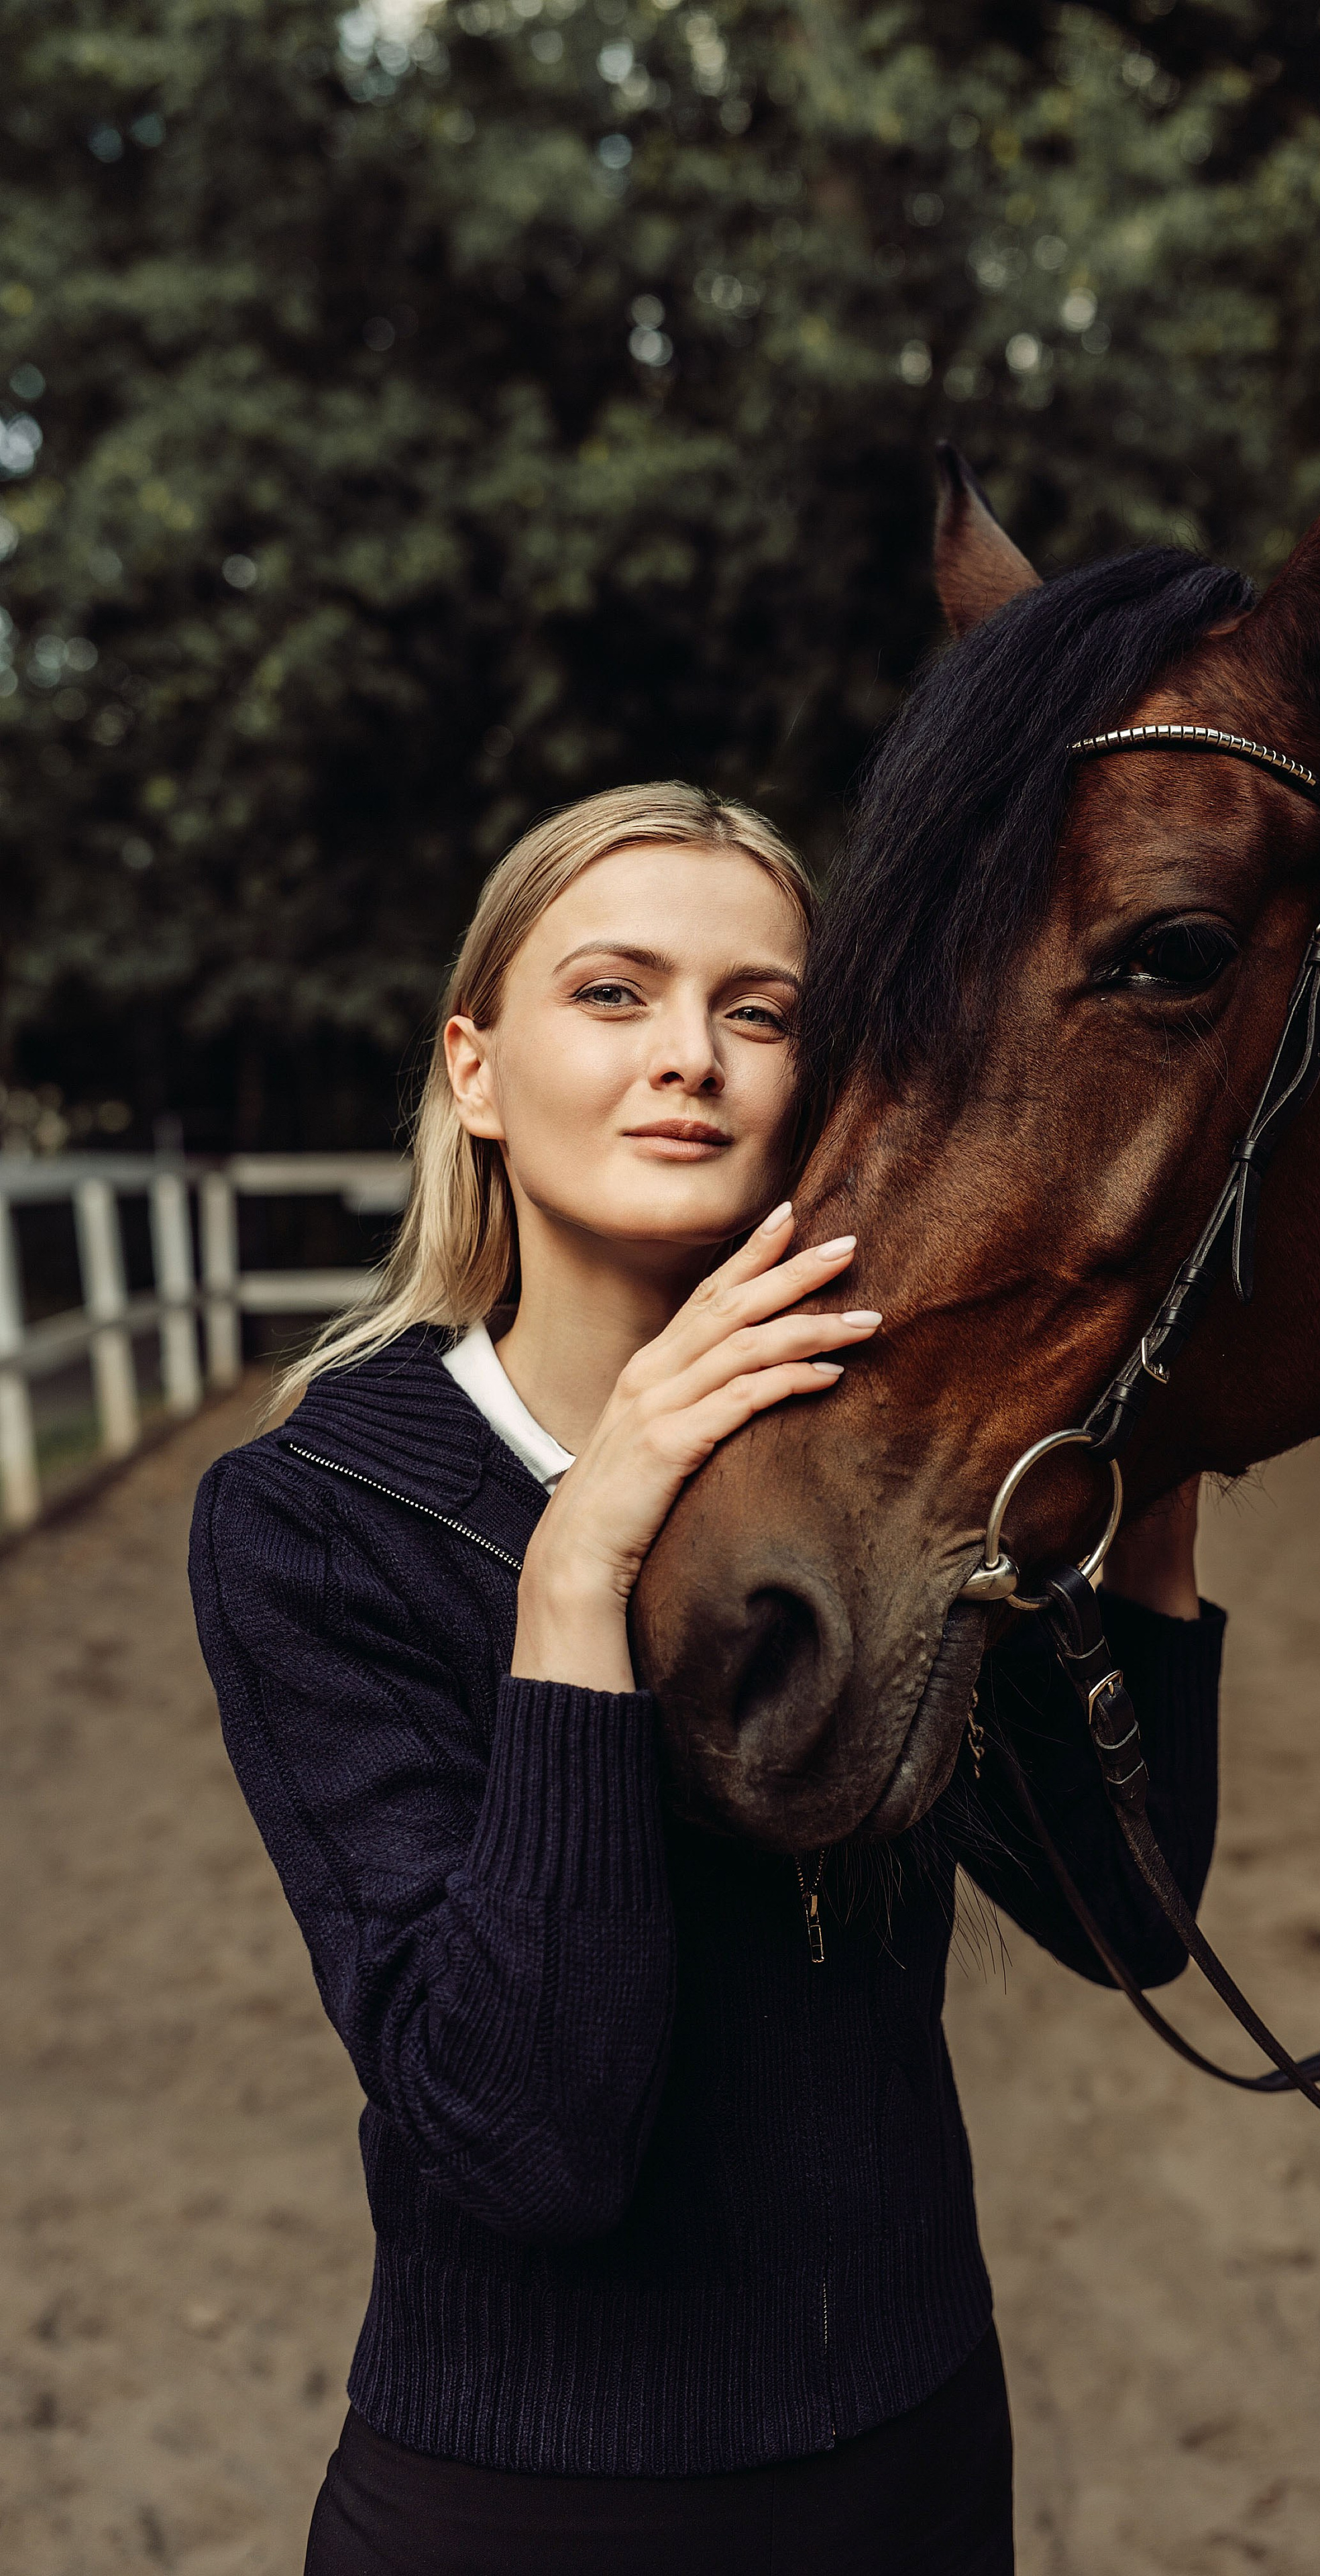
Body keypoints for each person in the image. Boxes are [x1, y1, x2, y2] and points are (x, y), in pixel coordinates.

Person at [188, 782, 1224, 2576]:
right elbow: (530, 2148)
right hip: (538, 2503)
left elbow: (1126, 1917)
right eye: (614, 992)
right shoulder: (311, 1520)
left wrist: (1151, 1518)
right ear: (474, 1069)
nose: (693, 1056)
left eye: (762, 1011)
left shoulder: (888, 1469)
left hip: (918, 2449)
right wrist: (578, 1572)